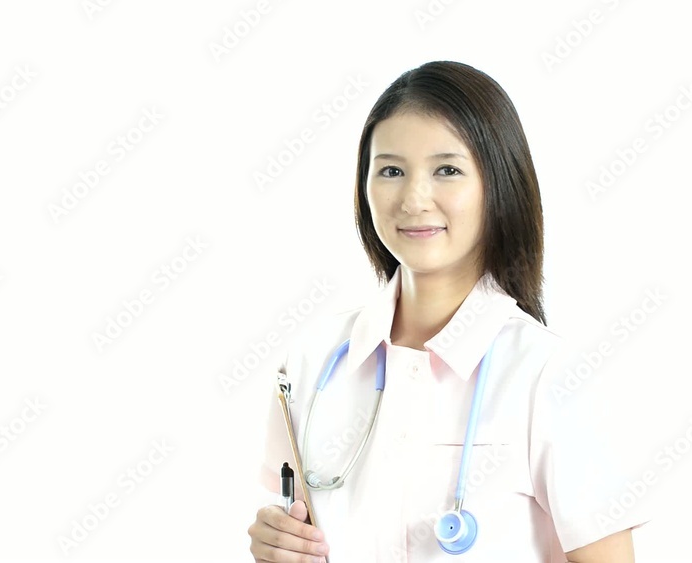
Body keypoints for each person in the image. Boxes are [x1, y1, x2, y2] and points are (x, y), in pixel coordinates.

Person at [247, 60, 649, 562]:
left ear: (498, 184)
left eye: (447, 170)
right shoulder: (313, 361)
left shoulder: (551, 374)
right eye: (391, 170)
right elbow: (293, 523)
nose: (414, 199)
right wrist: (276, 546)